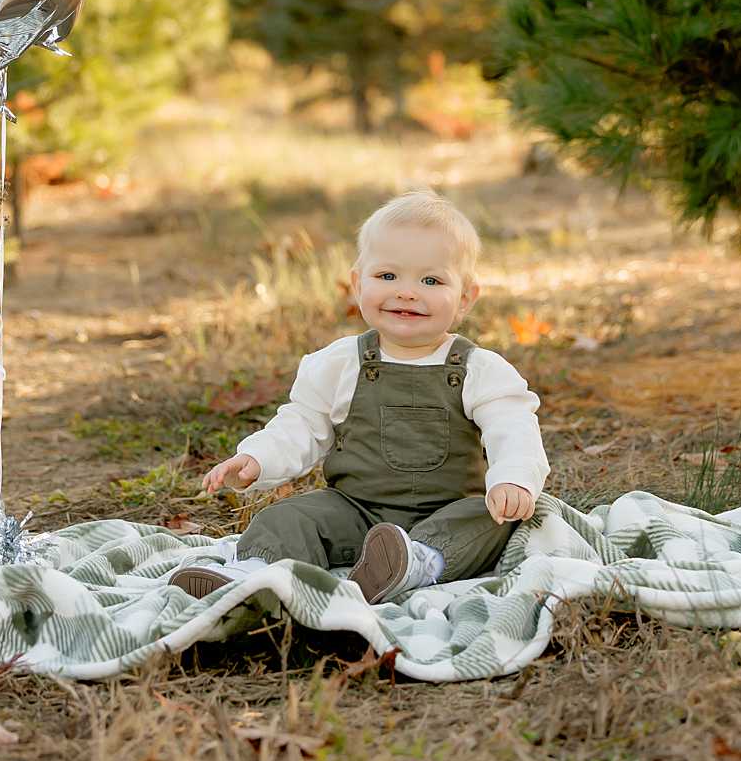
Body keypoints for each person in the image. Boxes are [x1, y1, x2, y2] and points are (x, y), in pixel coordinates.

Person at [168, 189, 549, 603]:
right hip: (354, 510)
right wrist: (258, 458)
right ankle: (256, 574)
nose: (406, 292)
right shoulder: (339, 364)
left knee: (491, 518)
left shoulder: (480, 369)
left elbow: (513, 428)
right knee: (289, 515)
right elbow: (301, 425)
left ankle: (419, 561)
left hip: (446, 512)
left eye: (431, 280)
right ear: (356, 283)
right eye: (387, 276)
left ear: (465, 298)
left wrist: (512, 479)